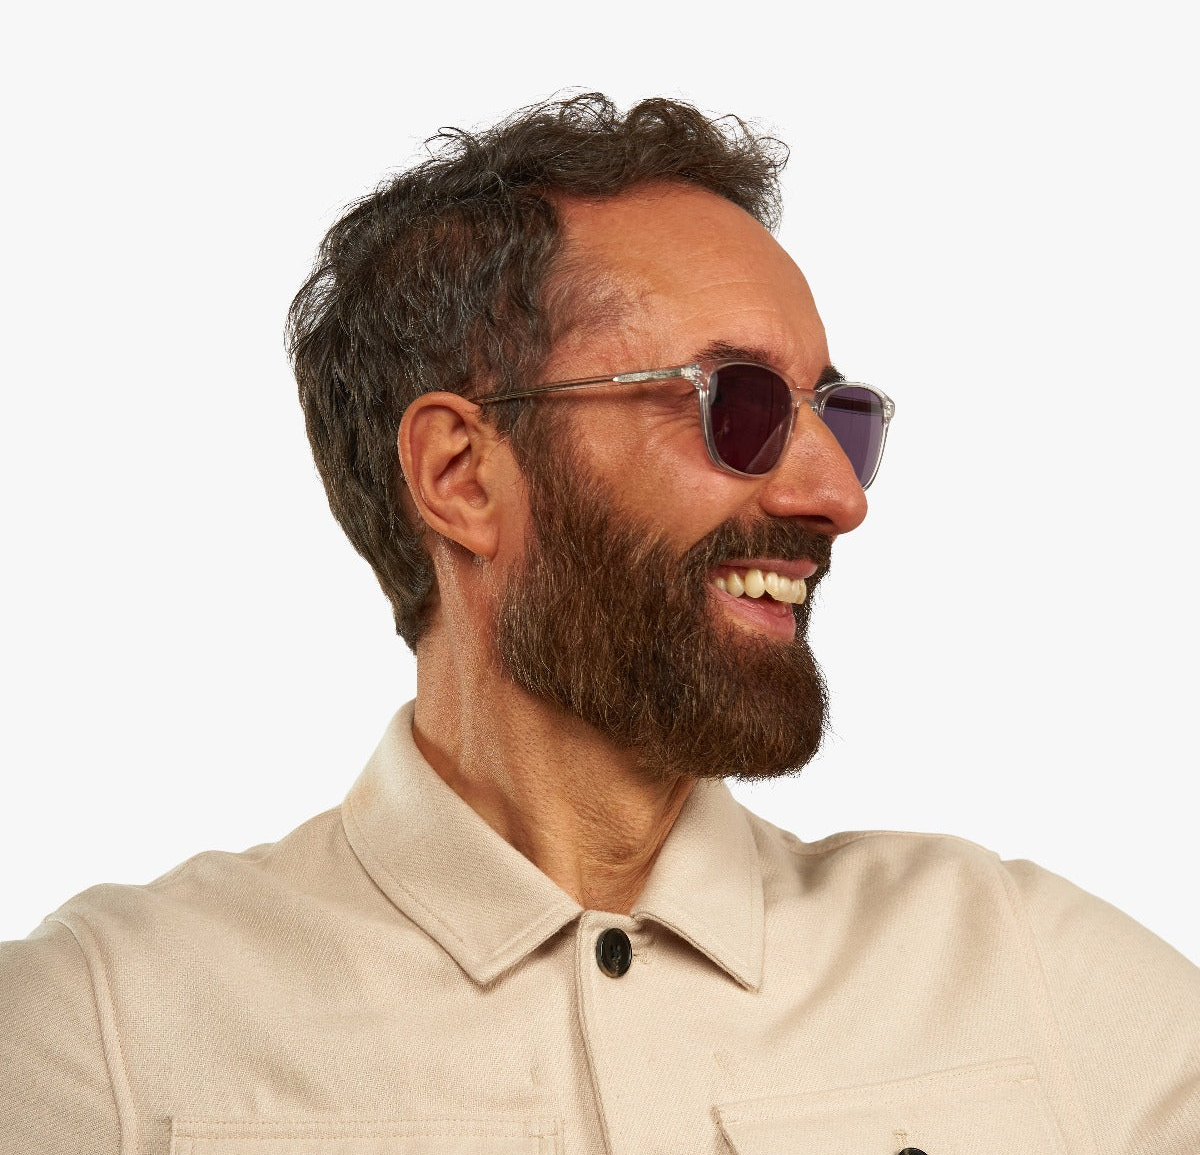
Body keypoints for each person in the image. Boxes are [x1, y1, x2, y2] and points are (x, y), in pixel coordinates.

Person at [2, 94, 1196, 1155]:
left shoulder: (1034, 972)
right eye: (738, 406)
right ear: (461, 475)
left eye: (838, 414)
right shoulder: (94, 1034)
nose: (839, 495)